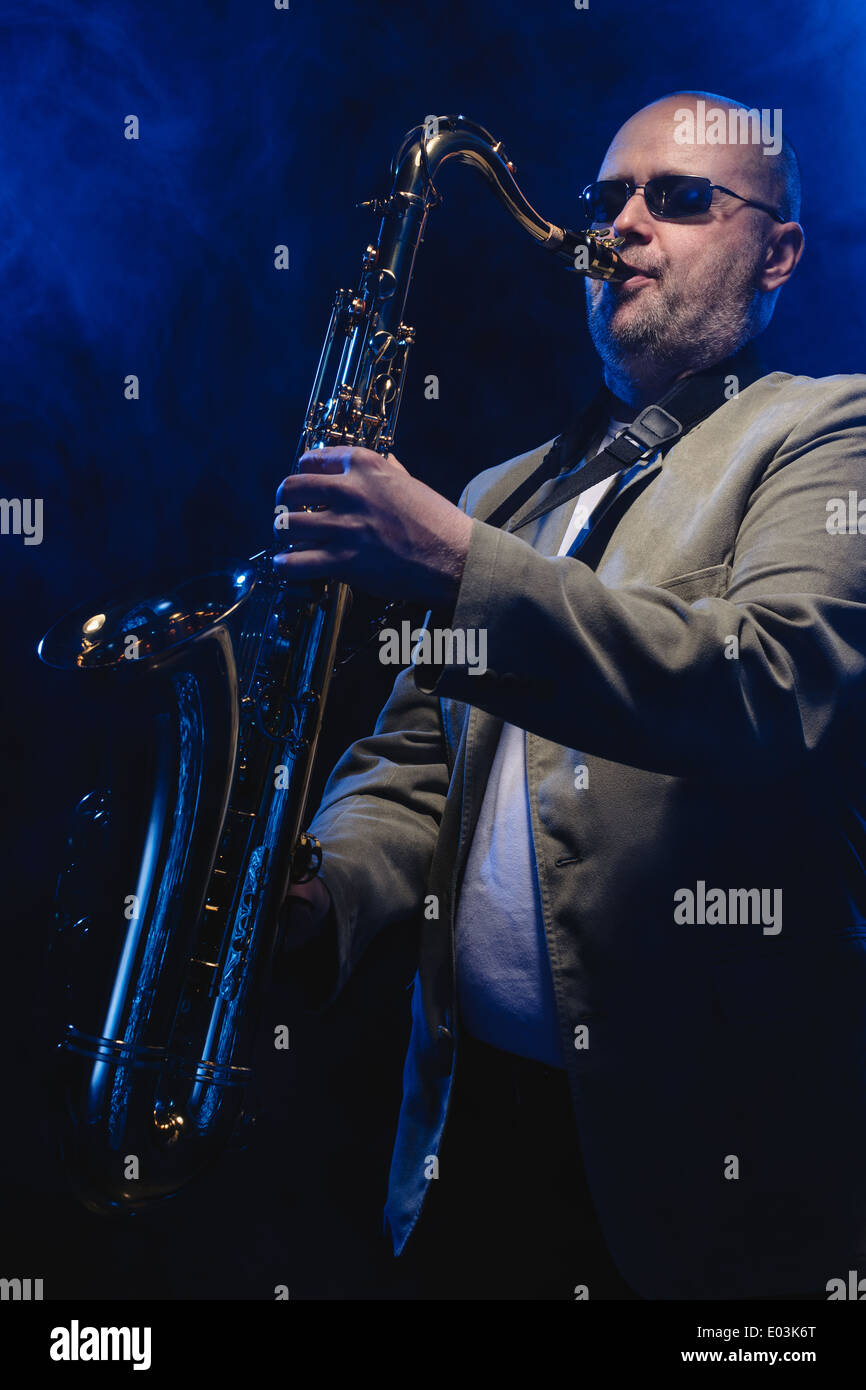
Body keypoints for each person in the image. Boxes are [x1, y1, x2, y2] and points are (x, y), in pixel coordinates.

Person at [273, 90, 866, 1300]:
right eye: (607, 198)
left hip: (701, 1157)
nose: (622, 224)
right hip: (462, 1124)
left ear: (777, 255)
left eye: (679, 197)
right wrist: (325, 892)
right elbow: (417, 765)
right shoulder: (501, 491)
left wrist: (454, 561)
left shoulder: (825, 431)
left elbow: (764, 685)